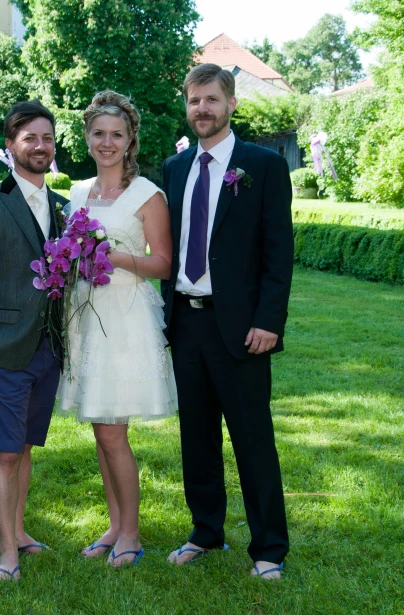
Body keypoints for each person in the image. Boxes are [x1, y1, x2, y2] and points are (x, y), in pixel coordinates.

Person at [161, 64, 294, 580]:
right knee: (195, 437)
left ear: (232, 103)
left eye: (212, 99)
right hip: (187, 324)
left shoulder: (261, 165)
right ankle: (205, 532)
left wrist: (269, 320)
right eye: (194, 100)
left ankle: (269, 548)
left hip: (242, 328)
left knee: (252, 439)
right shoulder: (175, 168)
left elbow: (278, 253)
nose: (202, 109)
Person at [57, 90, 178, 567]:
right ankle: (114, 523)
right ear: (87, 137)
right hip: (86, 318)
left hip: (126, 323)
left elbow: (164, 263)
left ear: (130, 141)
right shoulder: (78, 193)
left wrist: (110, 257)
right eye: (99, 134)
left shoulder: (148, 194)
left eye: (117, 135)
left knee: (113, 434)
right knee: (100, 428)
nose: (107, 142)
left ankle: (130, 533)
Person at [0, 100, 69, 582]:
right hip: (1, 350)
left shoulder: (64, 209)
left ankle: (19, 530)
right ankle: (7, 550)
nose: (39, 146)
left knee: (23, 448)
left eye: (46, 138)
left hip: (48, 350)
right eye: (29, 138)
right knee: (4, 450)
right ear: (10, 146)